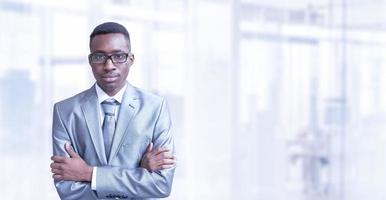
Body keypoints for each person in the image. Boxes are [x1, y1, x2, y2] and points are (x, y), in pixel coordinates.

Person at [50, 22, 176, 200]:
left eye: (118, 56)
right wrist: (140, 173)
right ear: (90, 60)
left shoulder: (155, 108)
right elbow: (68, 190)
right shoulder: (65, 111)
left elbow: (161, 185)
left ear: (131, 59)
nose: (109, 65)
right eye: (99, 56)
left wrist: (89, 174)